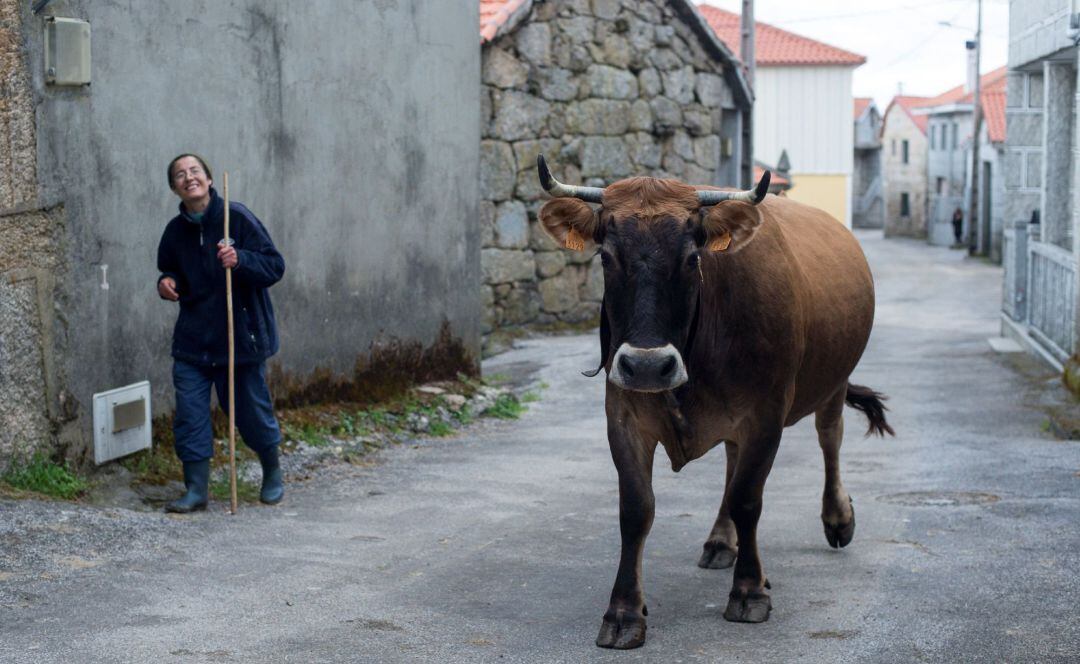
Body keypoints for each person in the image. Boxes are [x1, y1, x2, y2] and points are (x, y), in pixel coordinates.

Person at [157, 154, 286, 513]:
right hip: (194, 343)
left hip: (238, 339)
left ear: (210, 180)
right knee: (191, 415)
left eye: (195, 171)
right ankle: (196, 489)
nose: (189, 177)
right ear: (175, 188)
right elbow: (170, 271)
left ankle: (272, 472)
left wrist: (240, 260)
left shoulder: (237, 217)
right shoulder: (174, 232)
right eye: (180, 175)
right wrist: (166, 284)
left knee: (250, 412)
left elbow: (275, 265)